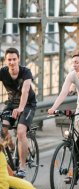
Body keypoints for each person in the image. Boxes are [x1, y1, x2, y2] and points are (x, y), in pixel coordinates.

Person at [0, 48, 37, 178]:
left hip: (27, 105)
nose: (12, 62)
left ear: (18, 59)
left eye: (14, 59)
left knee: (21, 131)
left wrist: (21, 108)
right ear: (5, 60)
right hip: (11, 104)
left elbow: (26, 91)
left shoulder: (25, 72)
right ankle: (11, 148)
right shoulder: (2, 72)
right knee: (3, 129)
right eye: (9, 60)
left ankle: (21, 167)